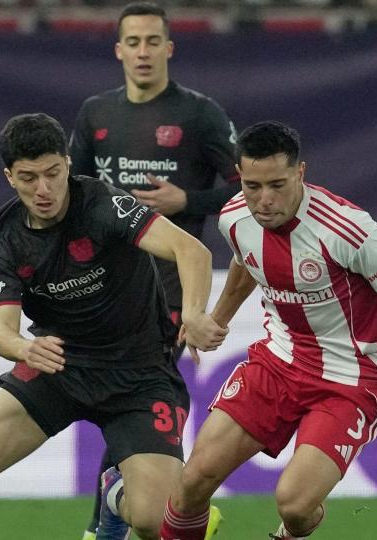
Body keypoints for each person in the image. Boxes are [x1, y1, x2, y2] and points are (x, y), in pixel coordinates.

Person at [159, 121, 377, 540]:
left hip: (348, 381)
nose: (264, 200)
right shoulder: (235, 217)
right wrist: (219, 318)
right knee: (193, 480)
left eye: (277, 184)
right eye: (252, 186)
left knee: (293, 504)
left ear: (301, 173)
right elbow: (245, 263)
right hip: (277, 363)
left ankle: (299, 525)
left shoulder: (347, 229)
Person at [0, 113, 226, 540]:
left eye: (53, 173)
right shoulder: (1, 239)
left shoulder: (103, 203)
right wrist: (22, 348)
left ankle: (114, 496)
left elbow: (190, 250)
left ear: (67, 163)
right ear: (9, 178)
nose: (44, 189)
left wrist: (197, 313)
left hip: (139, 376)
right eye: (28, 177)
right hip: (59, 369)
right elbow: (2, 331)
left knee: (151, 521)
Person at [68, 2, 239, 538]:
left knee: (135, 392)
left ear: (170, 48)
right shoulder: (96, 115)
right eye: (133, 42)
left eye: (152, 42)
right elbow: (71, 195)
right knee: (125, 397)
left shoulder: (199, 115)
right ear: (119, 50)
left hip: (166, 288)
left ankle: (108, 524)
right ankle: (134, 506)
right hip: (105, 288)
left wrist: (188, 197)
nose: (143, 52)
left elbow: (247, 187)